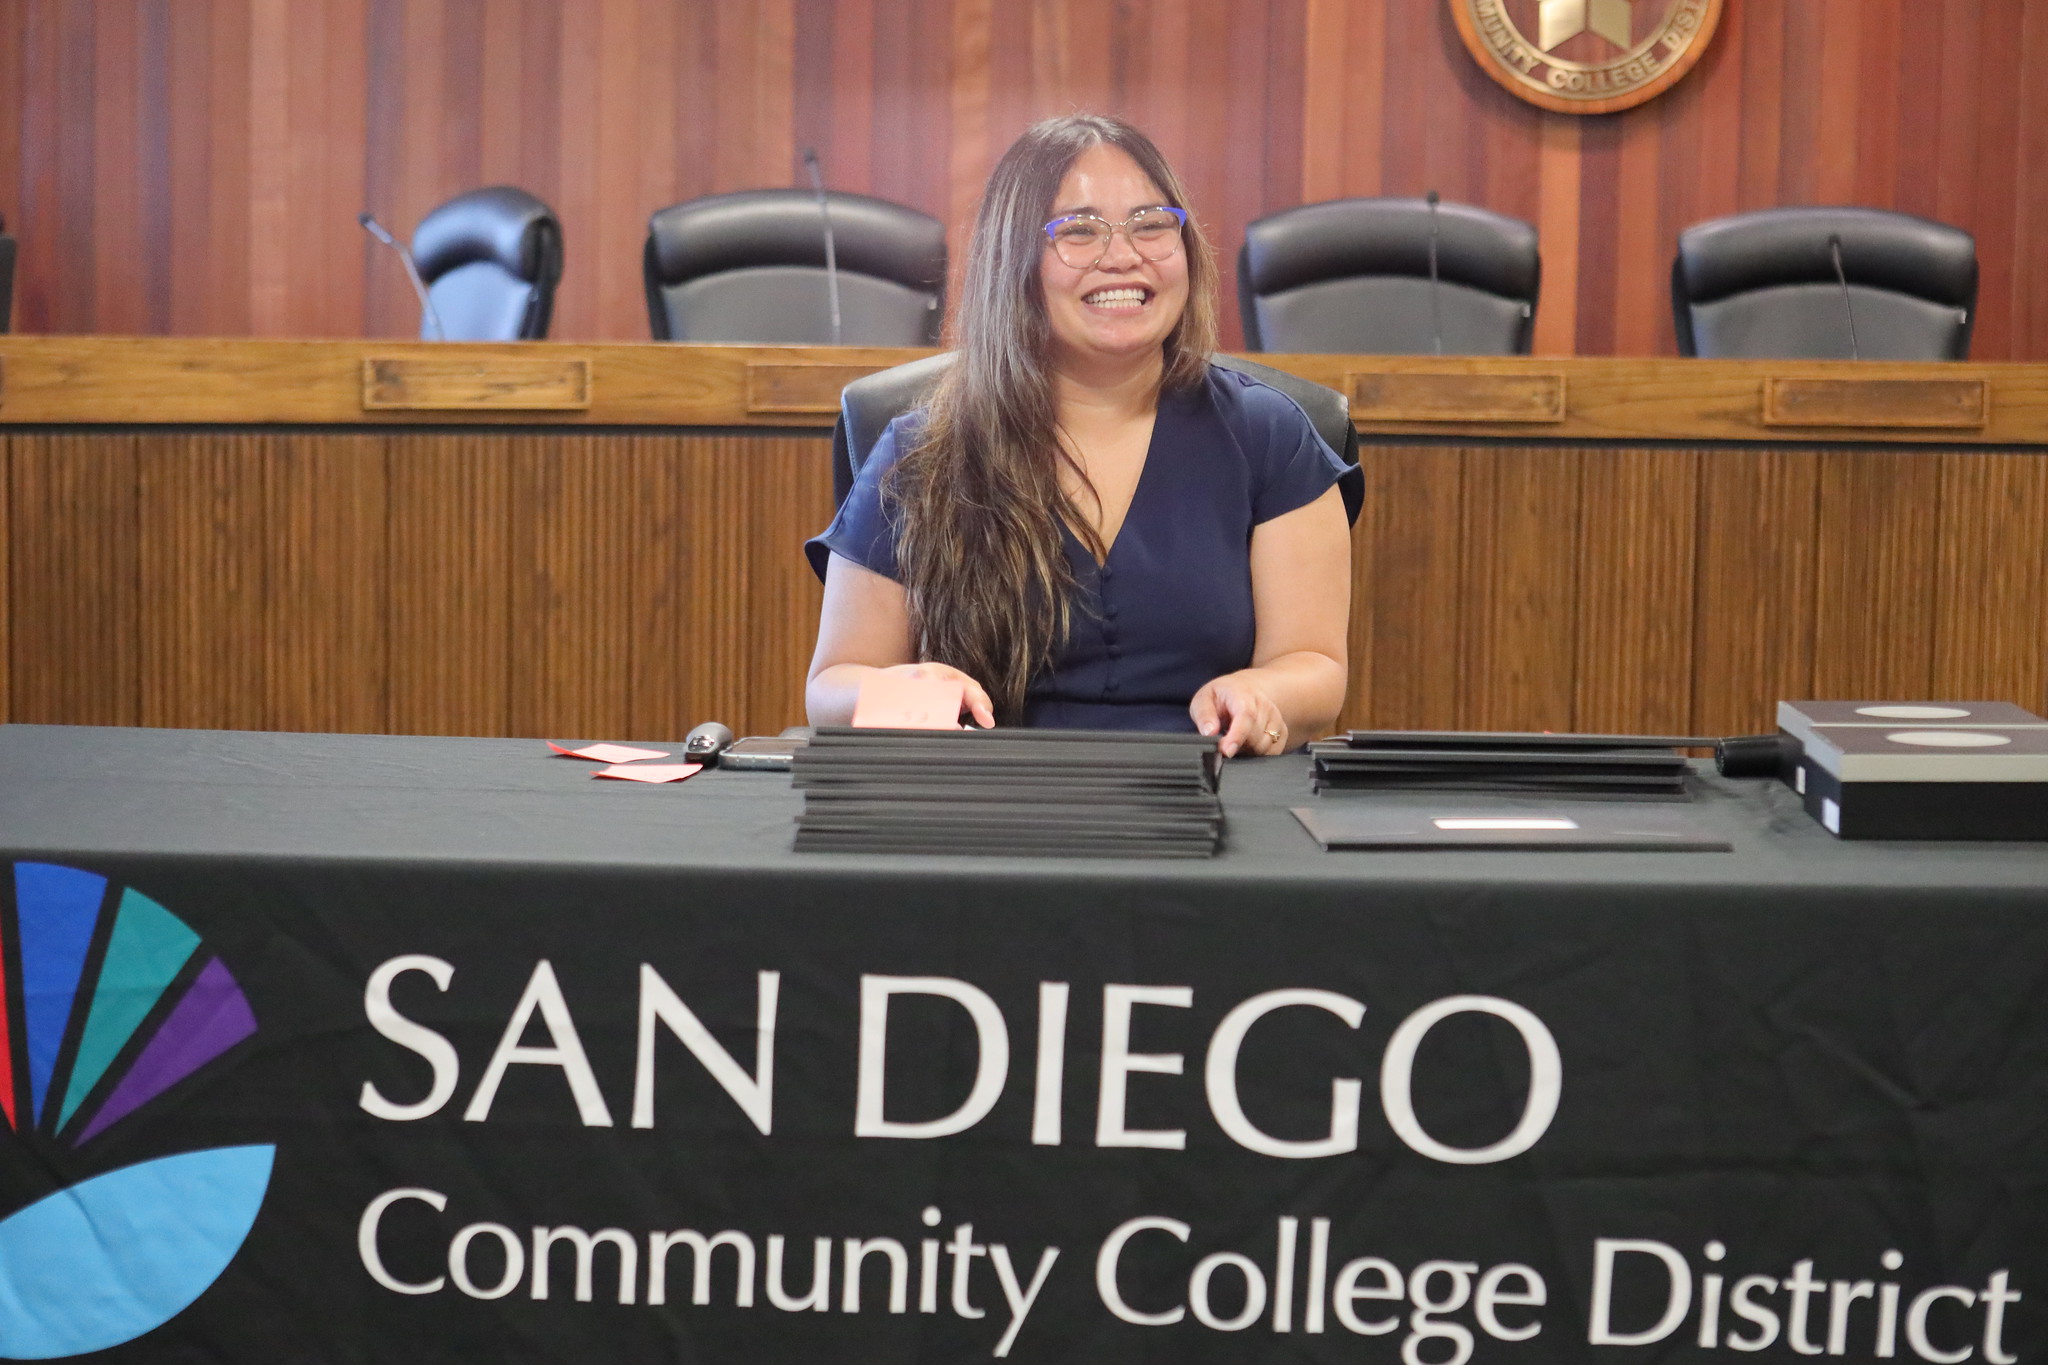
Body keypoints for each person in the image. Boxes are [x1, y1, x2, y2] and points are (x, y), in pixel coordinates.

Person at [804, 114, 1352, 756]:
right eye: (1079, 230)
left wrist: (1264, 695)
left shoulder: (1270, 435)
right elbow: (831, 688)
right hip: (991, 795)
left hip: (1209, 791)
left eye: (1151, 225)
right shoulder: (921, 452)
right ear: (1015, 262)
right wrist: (906, 693)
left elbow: (1314, 664)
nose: (1122, 256)